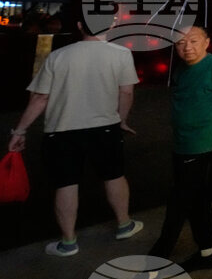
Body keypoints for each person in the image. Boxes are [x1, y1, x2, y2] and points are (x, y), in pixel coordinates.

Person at [7, 18, 142, 257]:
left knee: (66, 184)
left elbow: (40, 98)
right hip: (105, 128)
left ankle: (68, 242)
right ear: (110, 26)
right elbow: (127, 91)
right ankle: (124, 225)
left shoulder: (58, 56)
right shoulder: (121, 54)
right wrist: (121, 119)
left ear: (79, 25)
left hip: (62, 131)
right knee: (114, 175)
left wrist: (20, 131)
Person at [149, 26, 212, 271]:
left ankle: (156, 261)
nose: (187, 47)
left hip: (202, 147)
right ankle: (208, 252)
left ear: (207, 42)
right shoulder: (181, 70)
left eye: (193, 41)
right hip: (182, 144)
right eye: (180, 43)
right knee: (197, 200)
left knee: (178, 203)